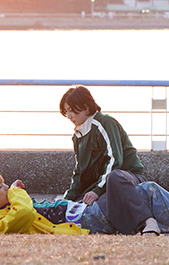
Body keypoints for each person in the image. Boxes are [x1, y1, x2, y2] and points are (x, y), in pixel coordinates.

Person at [0, 170, 169, 236]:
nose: (7, 187)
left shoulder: (10, 208)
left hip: (88, 211)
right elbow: (25, 212)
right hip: (87, 221)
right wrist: (15, 192)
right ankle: (148, 223)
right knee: (118, 177)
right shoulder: (2, 221)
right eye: (1, 187)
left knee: (146, 189)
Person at [59, 85, 151, 234]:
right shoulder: (78, 135)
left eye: (71, 111)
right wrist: (66, 200)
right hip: (104, 184)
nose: (69, 116)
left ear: (86, 108)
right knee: (77, 207)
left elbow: (115, 161)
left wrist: (97, 190)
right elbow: (79, 172)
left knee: (105, 197)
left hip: (125, 178)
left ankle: (140, 225)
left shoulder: (104, 123)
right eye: (66, 112)